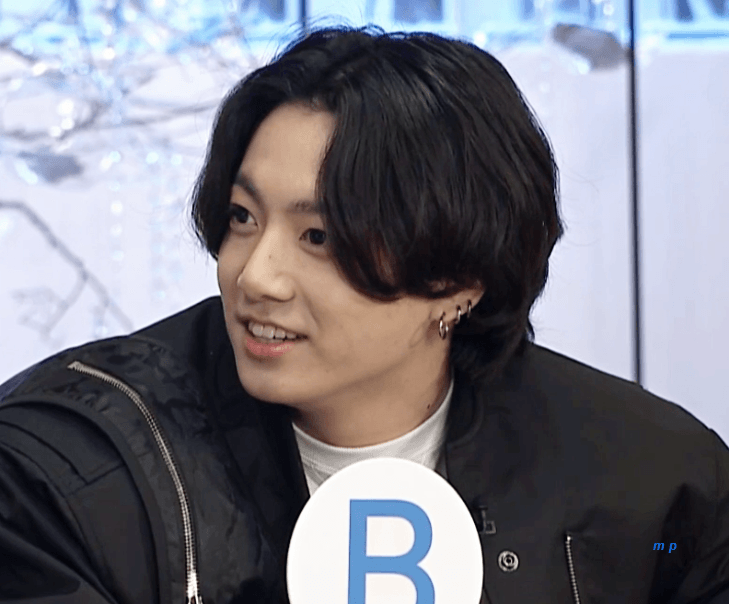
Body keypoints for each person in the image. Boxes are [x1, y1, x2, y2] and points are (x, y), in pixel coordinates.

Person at [1, 23, 728, 604]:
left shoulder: (660, 486)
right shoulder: (60, 476)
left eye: (318, 237)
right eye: (243, 216)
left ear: (460, 280)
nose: (255, 276)